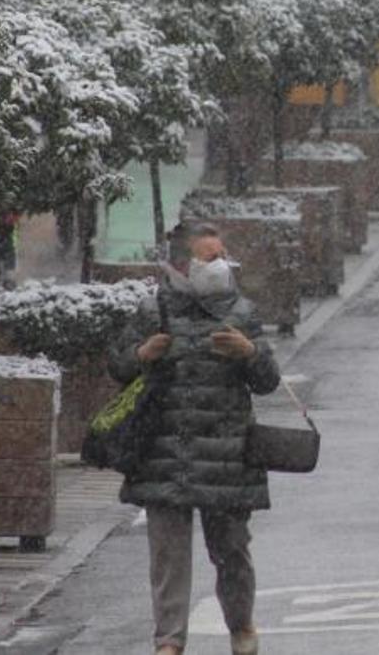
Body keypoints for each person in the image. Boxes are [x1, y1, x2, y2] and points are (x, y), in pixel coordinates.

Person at [111, 222, 281, 655]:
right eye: (209, 257)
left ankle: (241, 626)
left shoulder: (240, 312)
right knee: (168, 559)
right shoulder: (154, 312)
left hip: (226, 457)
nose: (220, 265)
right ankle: (168, 642)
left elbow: (267, 381)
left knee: (232, 553)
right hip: (164, 453)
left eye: (222, 255)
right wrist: (142, 355)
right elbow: (118, 367)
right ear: (182, 266)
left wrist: (250, 353)